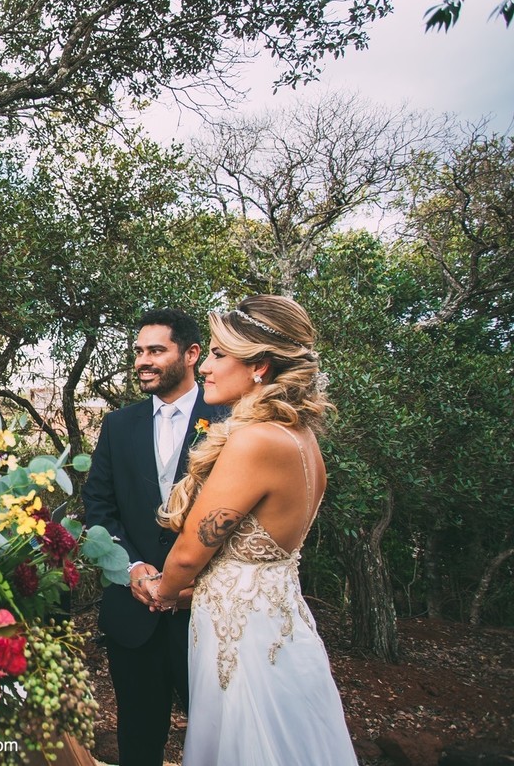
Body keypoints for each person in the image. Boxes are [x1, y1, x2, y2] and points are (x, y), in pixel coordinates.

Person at [152, 296, 355, 765]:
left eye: (220, 354)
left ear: (259, 367)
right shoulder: (302, 439)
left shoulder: (255, 440)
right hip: (278, 626)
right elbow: (252, 563)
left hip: (243, 642)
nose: (205, 367)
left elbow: (189, 554)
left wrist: (160, 589)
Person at [81, 309, 223, 766]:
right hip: (134, 612)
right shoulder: (118, 425)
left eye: (156, 350)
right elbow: (99, 510)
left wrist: (190, 583)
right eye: (139, 351)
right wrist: (134, 569)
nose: (143, 360)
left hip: (207, 615)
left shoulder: (229, 419)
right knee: (138, 741)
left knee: (220, 739)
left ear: (192, 354)